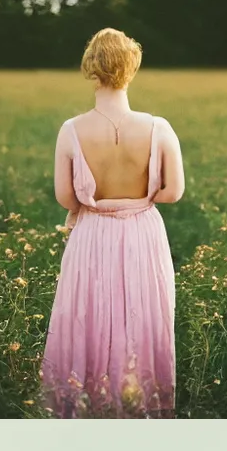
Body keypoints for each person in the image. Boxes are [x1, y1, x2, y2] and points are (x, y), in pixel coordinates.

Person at [40, 27, 186, 417]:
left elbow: (65, 198)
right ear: (131, 69)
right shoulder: (159, 128)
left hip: (92, 234)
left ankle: (84, 403)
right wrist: (139, 199)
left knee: (86, 317)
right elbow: (173, 192)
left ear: (91, 69)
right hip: (143, 232)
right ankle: (139, 403)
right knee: (143, 316)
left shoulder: (71, 130)